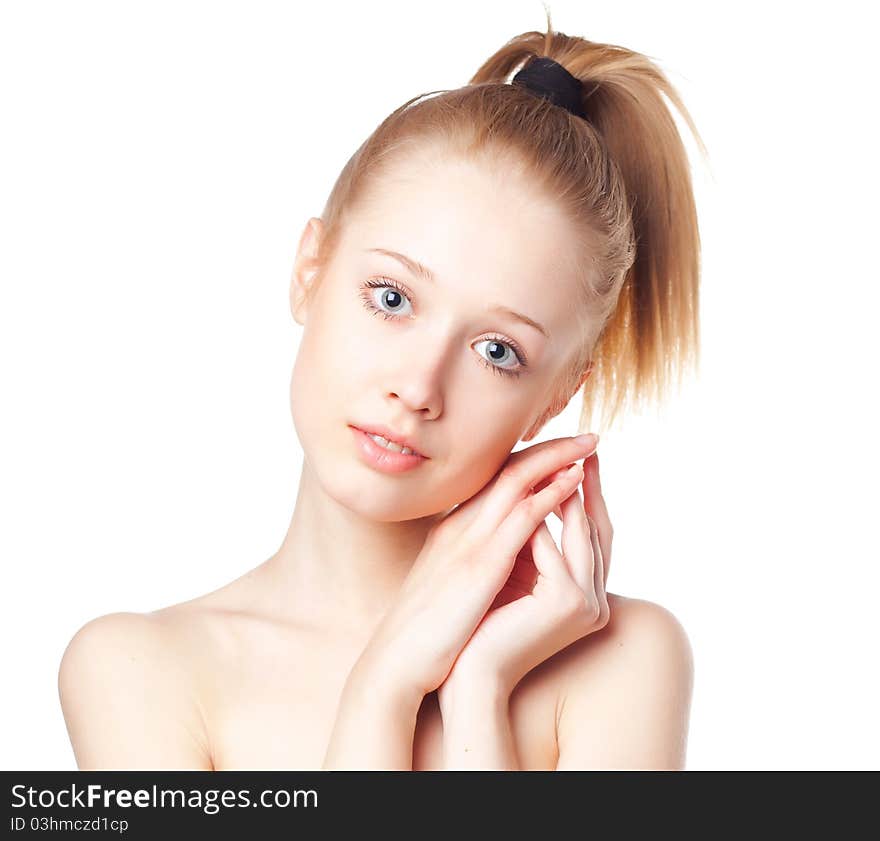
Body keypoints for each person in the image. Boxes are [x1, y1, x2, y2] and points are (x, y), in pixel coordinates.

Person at [58, 11, 704, 770]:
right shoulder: (138, 673)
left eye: (497, 350)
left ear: (559, 395)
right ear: (311, 270)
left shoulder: (620, 664)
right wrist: (384, 686)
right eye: (392, 298)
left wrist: (478, 690)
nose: (418, 387)